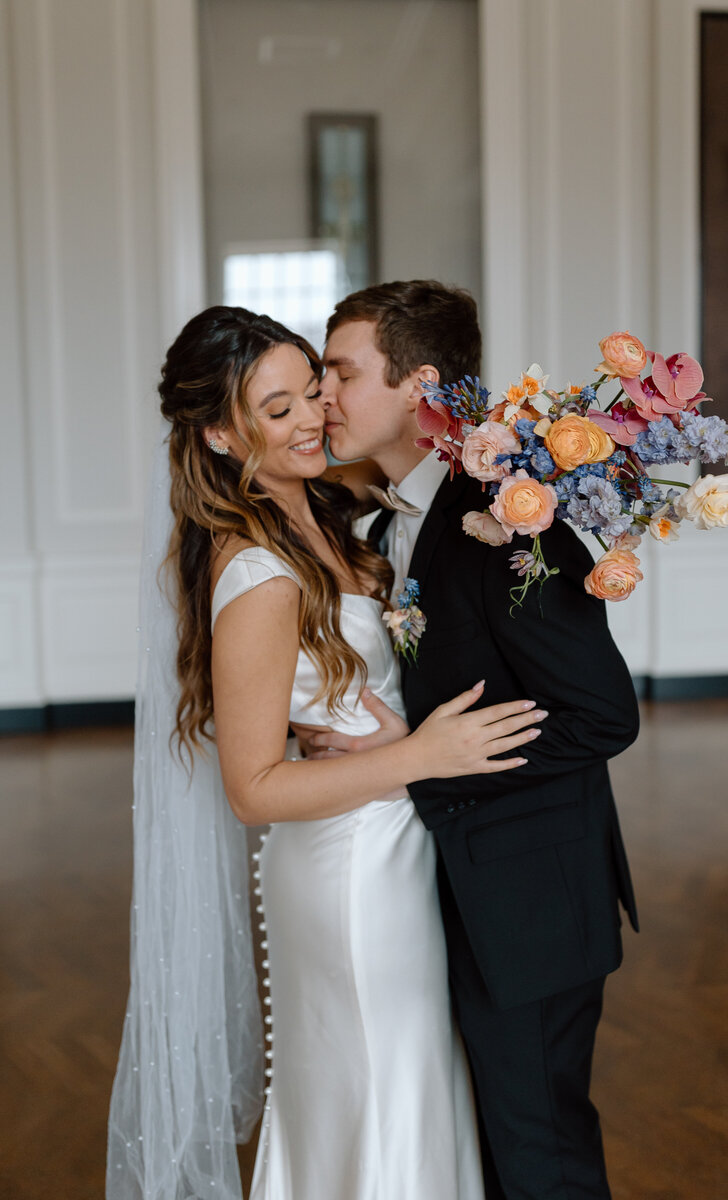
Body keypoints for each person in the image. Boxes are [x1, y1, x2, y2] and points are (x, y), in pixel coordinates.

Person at [107, 304, 547, 1200]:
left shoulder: (327, 512)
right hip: (349, 873)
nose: (313, 417)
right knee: (380, 1093)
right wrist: (423, 752)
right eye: (279, 411)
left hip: (394, 843)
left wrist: (401, 733)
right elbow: (255, 789)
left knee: (406, 1091)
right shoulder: (256, 575)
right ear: (224, 436)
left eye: (313, 389)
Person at [310, 280, 640, 1200]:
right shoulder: (394, 515)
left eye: (342, 370)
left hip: (530, 898)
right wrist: (415, 744)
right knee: (494, 1147)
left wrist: (438, 761)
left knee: (540, 1156)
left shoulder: (501, 524)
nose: (324, 391)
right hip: (460, 886)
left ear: (419, 383)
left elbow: (605, 714)